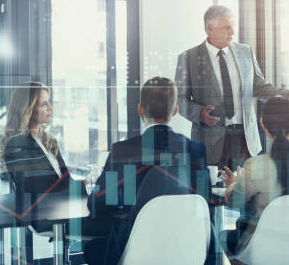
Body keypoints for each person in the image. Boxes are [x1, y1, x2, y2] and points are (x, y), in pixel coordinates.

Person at [83, 77, 214, 265]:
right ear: (175, 111)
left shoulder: (123, 150)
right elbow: (205, 204)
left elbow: (97, 204)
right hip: (188, 250)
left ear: (140, 109)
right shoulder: (195, 150)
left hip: (133, 253)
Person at [175, 4, 289, 169]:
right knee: (211, 191)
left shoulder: (245, 52)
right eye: (226, 28)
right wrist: (199, 113)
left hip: (245, 138)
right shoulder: (188, 58)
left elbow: (259, 87)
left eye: (233, 27)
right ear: (210, 28)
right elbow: (179, 99)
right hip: (209, 141)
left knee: (246, 191)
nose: (232, 33)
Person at [220, 96, 289, 255]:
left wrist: (233, 183)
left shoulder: (256, 165)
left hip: (262, 248)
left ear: (262, 123)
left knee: (218, 238)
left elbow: (232, 202)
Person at [0, 81, 70, 194]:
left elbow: (67, 181)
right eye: (43, 104)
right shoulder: (16, 145)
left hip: (60, 207)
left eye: (49, 102)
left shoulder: (51, 142)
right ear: (27, 108)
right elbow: (36, 188)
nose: (50, 108)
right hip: (40, 209)